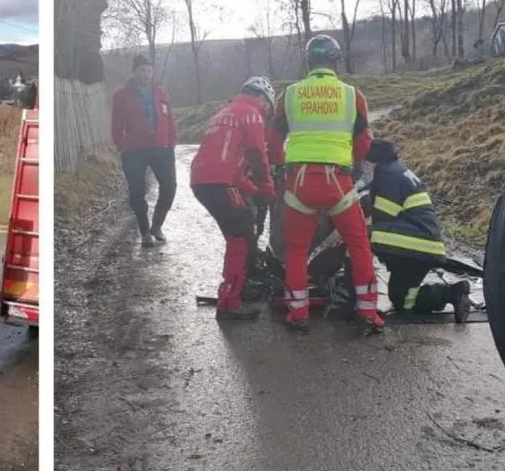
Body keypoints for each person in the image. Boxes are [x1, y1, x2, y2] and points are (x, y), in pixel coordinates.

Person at [268, 34, 383, 335]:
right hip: (338, 181)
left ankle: (298, 314)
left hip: (300, 182)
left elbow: (273, 139)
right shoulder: (351, 95)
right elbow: (364, 141)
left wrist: (281, 168)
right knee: (359, 245)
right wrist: (351, 163)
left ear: (309, 62)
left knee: (296, 248)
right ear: (335, 61)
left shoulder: (289, 95)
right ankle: (368, 313)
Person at [190, 77, 278, 320]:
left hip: (201, 180)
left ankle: (240, 283)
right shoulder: (252, 114)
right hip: (219, 182)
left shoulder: (225, 113)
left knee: (238, 230)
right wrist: (267, 189)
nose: (268, 111)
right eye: (269, 106)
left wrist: (254, 191)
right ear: (262, 98)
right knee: (241, 235)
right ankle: (230, 301)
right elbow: (258, 156)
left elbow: (233, 168)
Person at [363, 139, 470, 317]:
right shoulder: (395, 171)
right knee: (402, 298)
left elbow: (382, 217)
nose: (365, 167)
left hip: (414, 246)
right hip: (420, 243)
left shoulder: (387, 176)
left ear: (374, 161)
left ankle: (453, 293)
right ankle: (453, 292)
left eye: (366, 162)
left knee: (403, 302)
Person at [111, 55, 177, 246]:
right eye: (142, 70)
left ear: (152, 72)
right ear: (134, 72)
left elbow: (169, 119)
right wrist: (123, 146)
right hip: (135, 150)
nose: (146, 74)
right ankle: (145, 231)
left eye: (149, 70)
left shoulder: (161, 92)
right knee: (136, 192)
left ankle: (157, 225)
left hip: (161, 147)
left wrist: (171, 141)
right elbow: (117, 125)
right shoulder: (122, 95)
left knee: (170, 186)